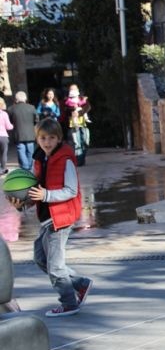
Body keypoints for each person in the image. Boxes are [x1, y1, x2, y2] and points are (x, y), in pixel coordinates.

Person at [6, 118, 93, 317]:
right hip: (47, 219)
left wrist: (46, 195)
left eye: (52, 138)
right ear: (37, 139)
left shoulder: (66, 159)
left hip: (61, 219)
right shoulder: (40, 159)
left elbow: (71, 191)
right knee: (41, 259)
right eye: (43, 138)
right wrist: (23, 203)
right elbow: (38, 191)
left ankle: (69, 303)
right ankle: (80, 284)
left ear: (59, 138)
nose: (47, 142)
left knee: (55, 266)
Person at [6, 91, 39, 171]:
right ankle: (29, 166)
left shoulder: (11, 109)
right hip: (30, 133)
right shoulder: (32, 107)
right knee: (30, 151)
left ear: (16, 99)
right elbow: (37, 119)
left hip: (18, 133)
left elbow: (9, 121)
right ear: (25, 99)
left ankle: (25, 166)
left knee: (21, 150)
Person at [63, 84, 92, 166]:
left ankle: (81, 158)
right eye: (71, 89)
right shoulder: (67, 101)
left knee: (86, 141)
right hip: (74, 125)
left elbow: (88, 107)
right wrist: (72, 110)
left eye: (74, 89)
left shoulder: (82, 99)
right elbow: (66, 110)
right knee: (77, 143)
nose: (73, 91)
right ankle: (79, 161)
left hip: (83, 124)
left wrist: (78, 113)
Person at [0, 98, 12, 174]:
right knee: (3, 153)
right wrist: (13, 126)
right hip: (3, 136)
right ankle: (3, 169)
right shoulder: (4, 114)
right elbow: (9, 127)